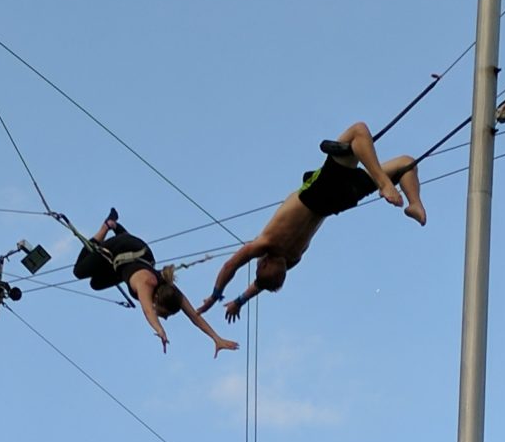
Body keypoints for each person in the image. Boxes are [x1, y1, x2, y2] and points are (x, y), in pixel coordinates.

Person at [205, 121, 425, 321]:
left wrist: (233, 299)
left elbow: (253, 279)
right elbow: (235, 267)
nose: (283, 268)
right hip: (321, 192)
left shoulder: (291, 257)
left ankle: (415, 205)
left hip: (339, 202)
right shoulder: (265, 244)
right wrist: (221, 297)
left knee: (406, 163)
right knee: (359, 131)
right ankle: (385, 184)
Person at [73, 211, 238, 354]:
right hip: (124, 249)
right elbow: (147, 311)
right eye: (165, 314)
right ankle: (108, 226)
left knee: (96, 284)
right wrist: (160, 330)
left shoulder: (171, 291)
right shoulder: (146, 284)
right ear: (158, 301)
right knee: (79, 271)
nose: (164, 318)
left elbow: (194, 316)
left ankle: (118, 229)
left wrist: (216, 338)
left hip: (139, 256)